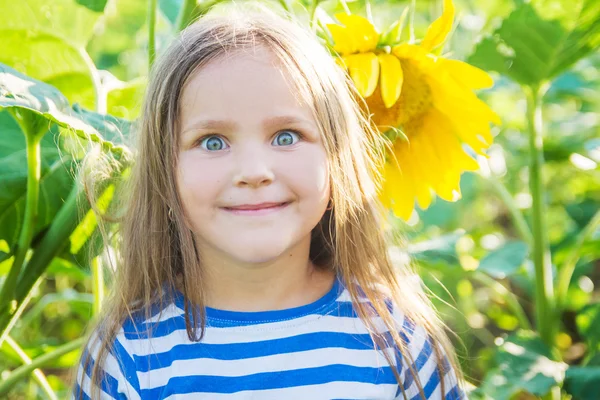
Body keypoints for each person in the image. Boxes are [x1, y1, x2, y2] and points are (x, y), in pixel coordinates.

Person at [71, 2, 468, 399]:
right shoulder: (131, 357)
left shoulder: (399, 343)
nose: (254, 170)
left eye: (286, 136)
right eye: (212, 142)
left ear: (337, 155)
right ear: (165, 173)